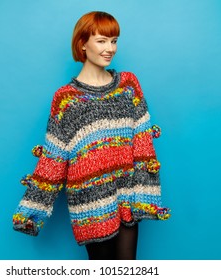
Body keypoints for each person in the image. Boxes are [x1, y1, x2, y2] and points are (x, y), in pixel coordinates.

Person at [12, 11, 170, 260]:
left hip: (127, 196)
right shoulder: (66, 99)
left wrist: (144, 196)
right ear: (82, 44)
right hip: (90, 204)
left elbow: (143, 142)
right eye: (102, 40)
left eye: (114, 40)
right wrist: (32, 213)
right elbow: (53, 158)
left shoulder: (129, 85)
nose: (110, 48)